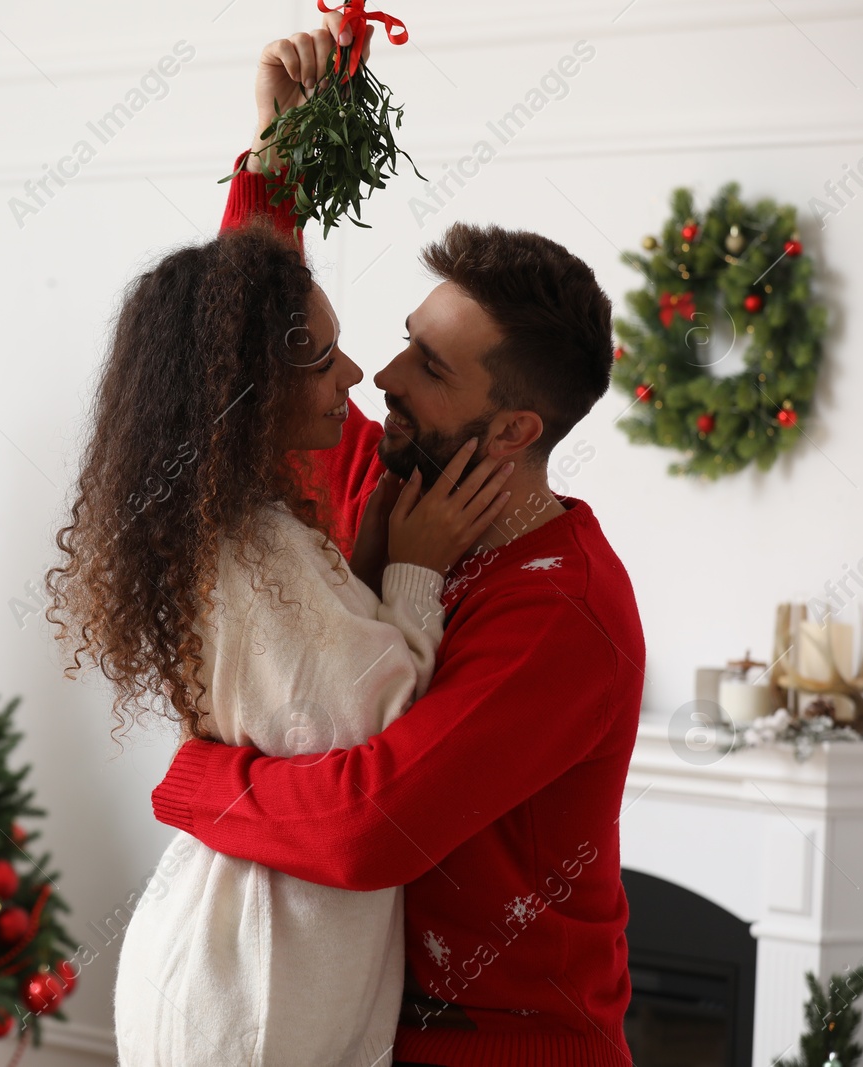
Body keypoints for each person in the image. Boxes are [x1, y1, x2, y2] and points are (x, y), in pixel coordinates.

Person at [148, 15, 647, 1067]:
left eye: (427, 361)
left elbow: (370, 825)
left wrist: (195, 784)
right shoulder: (393, 476)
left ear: (514, 429)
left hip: (499, 1048)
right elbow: (262, 379)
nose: (379, 377)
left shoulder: (564, 610)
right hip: (368, 1026)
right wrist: (277, 155)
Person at [44, 222, 514, 1064]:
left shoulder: (239, 529)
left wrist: (367, 559)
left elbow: (311, 689)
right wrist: (414, 571)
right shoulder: (252, 547)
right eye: (322, 358)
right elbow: (378, 731)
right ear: (250, 384)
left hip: (245, 966)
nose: (356, 375)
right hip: (252, 991)